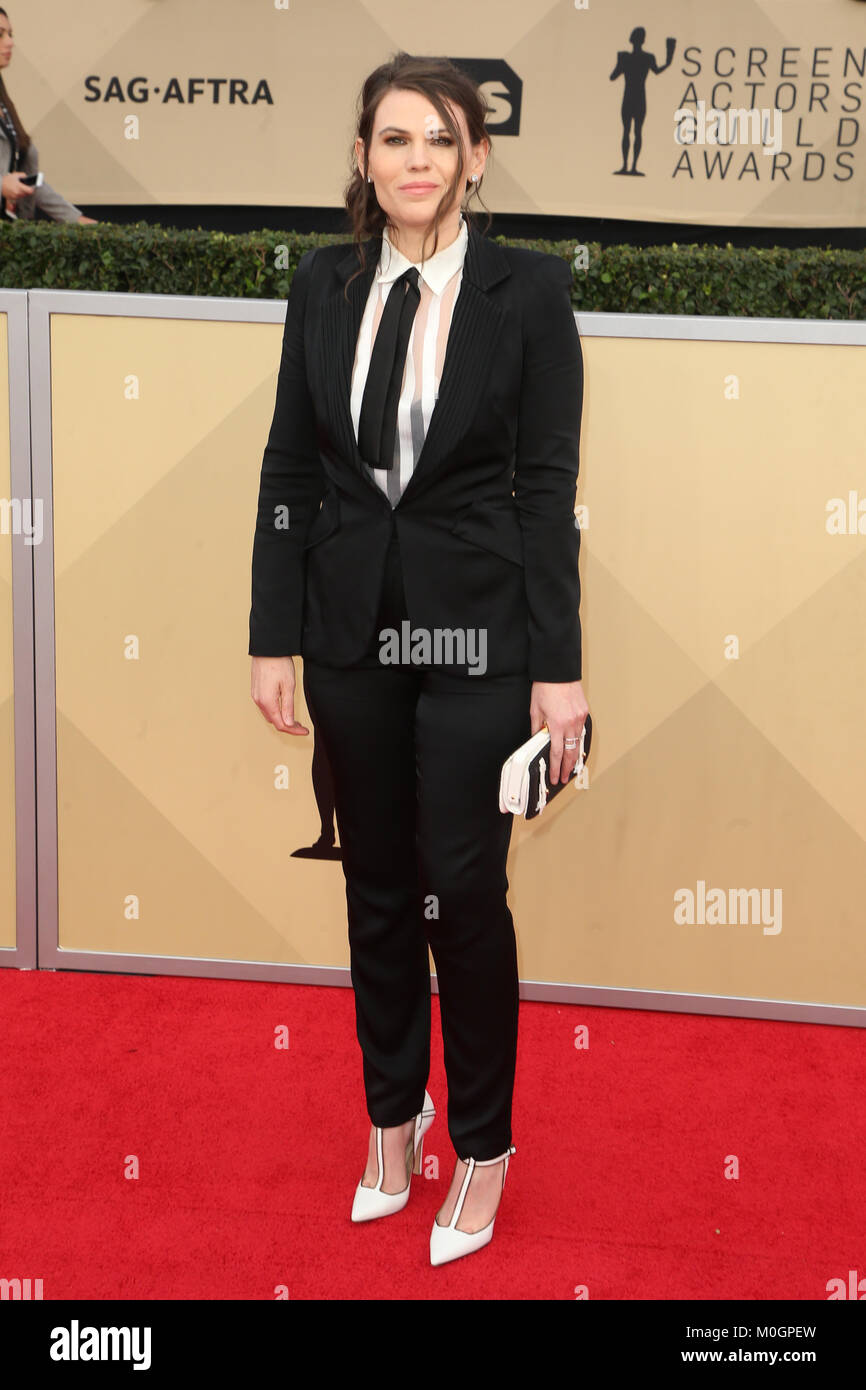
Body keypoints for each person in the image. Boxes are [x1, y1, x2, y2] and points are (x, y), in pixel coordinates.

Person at [248, 51, 588, 1267]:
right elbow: (291, 470)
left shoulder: (528, 293)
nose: (415, 162)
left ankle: (484, 1146)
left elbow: (546, 492)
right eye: (394, 140)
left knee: (463, 893)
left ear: (474, 158)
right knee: (376, 889)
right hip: (349, 638)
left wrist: (559, 671)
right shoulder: (321, 286)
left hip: (480, 642)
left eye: (438, 141)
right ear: (362, 156)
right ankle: (394, 1118)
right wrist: (271, 630)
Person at [0, 7, 96, 223]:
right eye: (0, 34)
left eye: (10, 34)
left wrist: (79, 221)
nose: (10, 42)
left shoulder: (5, 103)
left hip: (11, 238)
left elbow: (29, 183)